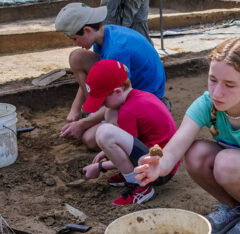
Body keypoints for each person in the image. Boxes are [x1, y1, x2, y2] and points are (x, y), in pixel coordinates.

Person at [135, 37, 240, 234]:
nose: (216, 92)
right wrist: (159, 167)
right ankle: (234, 208)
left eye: (229, 85)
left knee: (226, 162)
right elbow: (176, 147)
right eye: (213, 80)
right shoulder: (206, 104)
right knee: (195, 154)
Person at [55, 2, 170, 150]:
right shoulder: (104, 35)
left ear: (87, 30)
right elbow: (97, 76)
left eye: (74, 39)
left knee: (90, 139)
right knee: (77, 57)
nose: (74, 43)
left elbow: (119, 93)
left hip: (144, 96)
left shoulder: (117, 51)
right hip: (123, 89)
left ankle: (148, 118)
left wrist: (81, 124)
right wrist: (75, 109)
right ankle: (98, 113)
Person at [82, 59, 180, 206]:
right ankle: (129, 174)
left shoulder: (128, 111)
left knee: (104, 132)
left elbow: (125, 152)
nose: (102, 105)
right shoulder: (138, 96)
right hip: (162, 159)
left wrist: (100, 167)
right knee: (110, 114)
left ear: (117, 91)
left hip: (158, 168)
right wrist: (106, 152)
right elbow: (129, 144)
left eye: (103, 101)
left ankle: (140, 187)